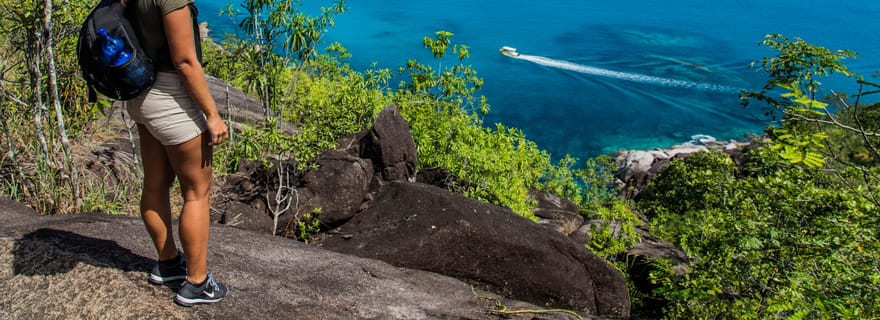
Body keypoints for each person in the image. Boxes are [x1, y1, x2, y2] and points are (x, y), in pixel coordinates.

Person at [124, 0, 229, 306]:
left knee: (155, 183)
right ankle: (197, 283)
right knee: (197, 191)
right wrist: (212, 114)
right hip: (171, 98)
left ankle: (168, 263)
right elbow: (184, 60)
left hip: (141, 92)